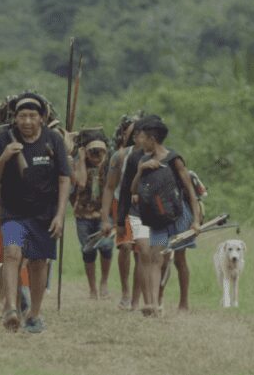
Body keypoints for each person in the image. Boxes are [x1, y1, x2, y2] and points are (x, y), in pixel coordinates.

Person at [0, 93, 71, 333]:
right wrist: (4, 157)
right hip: (13, 213)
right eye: (23, 116)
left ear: (42, 118)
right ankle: (11, 308)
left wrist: (60, 214)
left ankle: (34, 313)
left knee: (38, 263)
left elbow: (64, 179)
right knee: (11, 253)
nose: (27, 121)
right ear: (15, 118)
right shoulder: (3, 140)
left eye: (33, 116)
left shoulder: (53, 140)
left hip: (44, 214)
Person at [130, 116, 202, 316]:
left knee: (179, 259)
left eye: (142, 137)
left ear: (152, 138)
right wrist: (141, 170)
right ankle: (152, 305)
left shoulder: (174, 159)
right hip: (158, 218)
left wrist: (195, 221)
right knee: (155, 257)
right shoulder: (143, 160)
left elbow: (190, 190)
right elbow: (133, 189)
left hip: (179, 216)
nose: (139, 141)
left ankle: (184, 302)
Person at [100, 115, 142, 310]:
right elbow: (109, 187)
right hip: (122, 204)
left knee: (141, 252)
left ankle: (136, 297)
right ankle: (125, 291)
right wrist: (105, 218)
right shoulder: (120, 156)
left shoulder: (156, 155)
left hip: (144, 208)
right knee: (125, 247)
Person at [72, 137, 113, 299]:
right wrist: (82, 160)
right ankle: (92, 288)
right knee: (88, 250)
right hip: (83, 215)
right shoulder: (78, 164)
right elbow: (80, 183)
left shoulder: (109, 165)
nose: (96, 154)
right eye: (92, 151)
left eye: (99, 151)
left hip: (103, 213)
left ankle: (104, 282)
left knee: (106, 246)